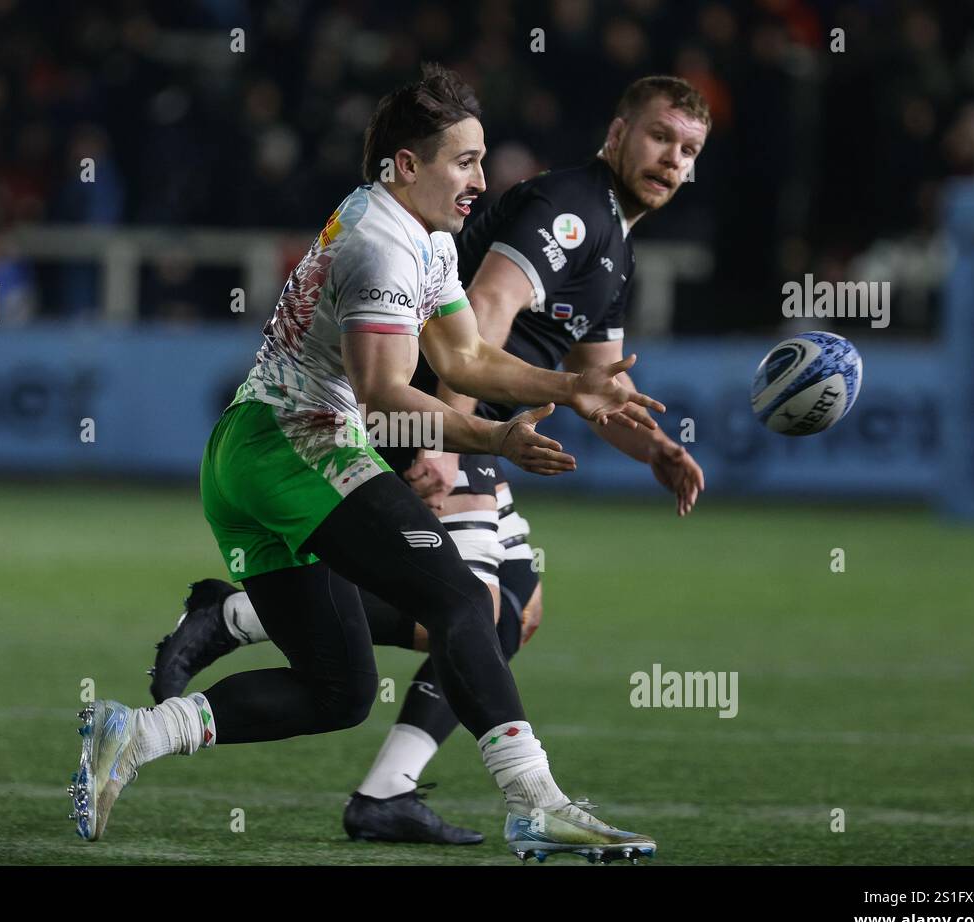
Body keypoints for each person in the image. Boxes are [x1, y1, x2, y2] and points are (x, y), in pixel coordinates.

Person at [71, 65, 666, 863]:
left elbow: (464, 354)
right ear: (406, 166)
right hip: (295, 447)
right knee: (465, 599)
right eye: (464, 161)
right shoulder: (380, 245)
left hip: (257, 451)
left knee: (338, 690)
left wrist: (572, 385)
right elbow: (386, 393)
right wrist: (491, 440)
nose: (481, 180)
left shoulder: (424, 234)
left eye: (481, 159)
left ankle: (134, 733)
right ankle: (538, 803)